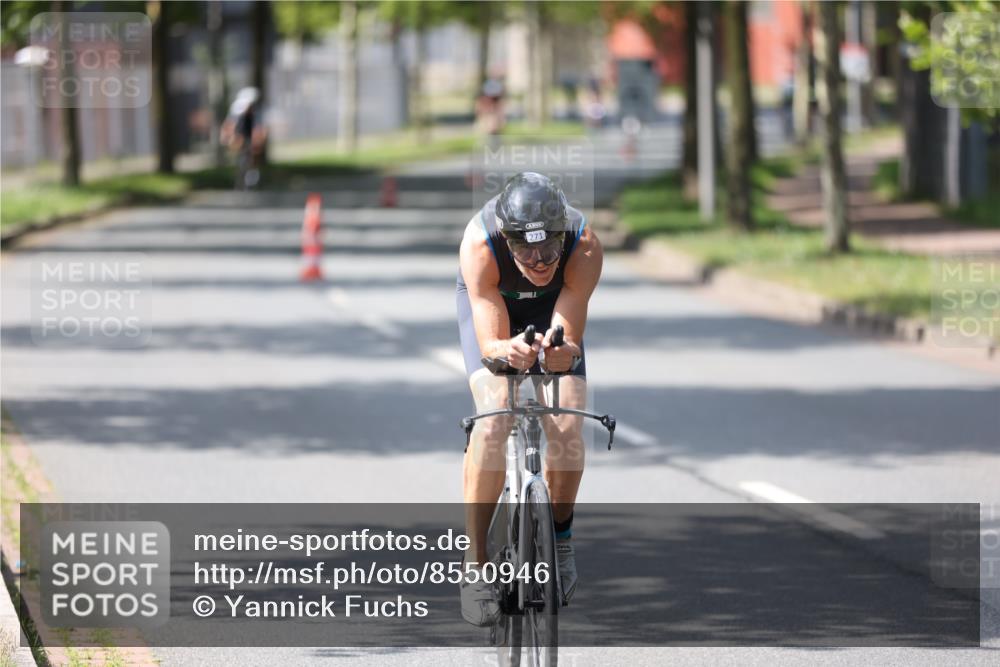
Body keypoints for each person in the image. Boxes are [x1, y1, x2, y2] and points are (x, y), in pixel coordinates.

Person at [456, 172, 603, 626]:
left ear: (562, 235)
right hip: (495, 309)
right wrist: (506, 350)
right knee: (495, 414)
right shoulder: (481, 245)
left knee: (568, 418)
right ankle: (476, 565)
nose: (539, 261)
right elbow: (489, 342)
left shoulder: (583, 245)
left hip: (552, 311)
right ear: (506, 237)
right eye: (525, 249)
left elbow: (569, 333)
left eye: (548, 249)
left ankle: (559, 539)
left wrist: (562, 353)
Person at [220, 87, 268, 189]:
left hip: (251, 136)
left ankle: (252, 179)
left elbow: (260, 127)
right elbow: (229, 124)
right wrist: (228, 136)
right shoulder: (236, 109)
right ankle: (240, 179)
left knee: (253, 159)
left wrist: (259, 139)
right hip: (240, 136)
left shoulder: (257, 111)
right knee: (241, 159)